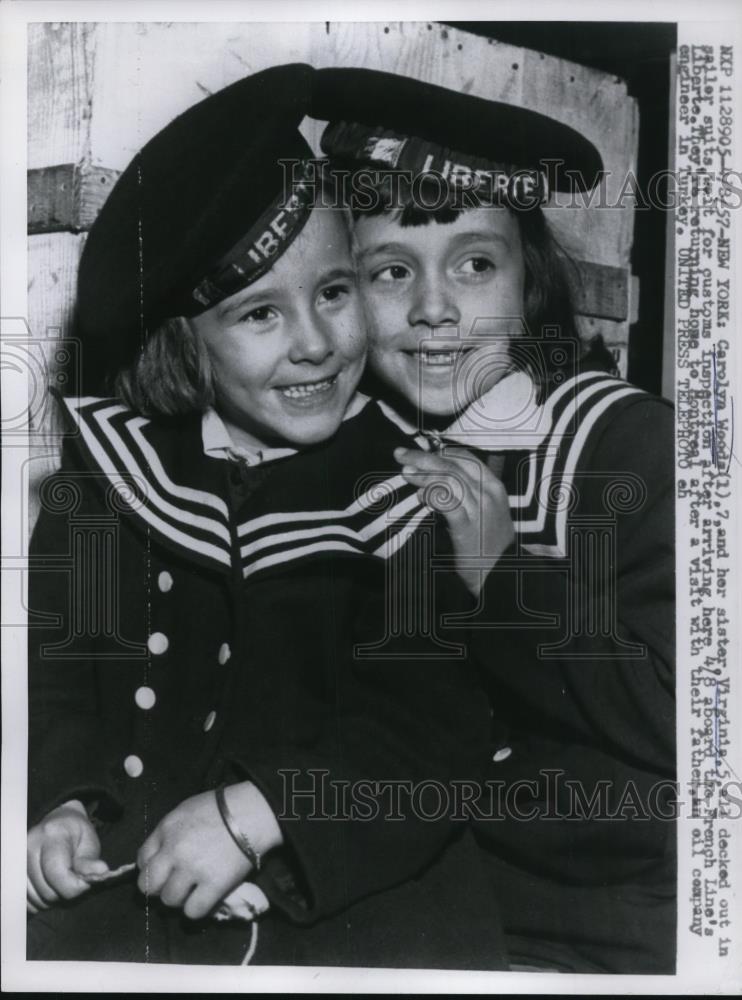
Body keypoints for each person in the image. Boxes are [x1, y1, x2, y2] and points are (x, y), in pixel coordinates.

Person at [26, 64, 505, 969]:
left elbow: (436, 732)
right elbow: (54, 677)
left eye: (333, 292)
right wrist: (61, 802)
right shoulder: (113, 481)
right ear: (184, 344)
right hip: (134, 897)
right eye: (259, 315)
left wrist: (265, 812)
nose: (317, 343)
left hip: (347, 905)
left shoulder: (399, 491)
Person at [312, 67, 676, 974]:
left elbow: (692, 715)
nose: (435, 309)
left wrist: (501, 576)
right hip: (415, 915)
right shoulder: (347, 454)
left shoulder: (623, 445)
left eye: (476, 264)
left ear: (533, 281)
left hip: (605, 931)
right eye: (391, 271)